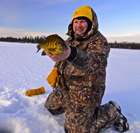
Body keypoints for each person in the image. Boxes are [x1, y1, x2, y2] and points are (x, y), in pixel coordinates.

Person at [45, 5, 129, 133]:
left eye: (83, 21)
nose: (78, 25)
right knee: (50, 106)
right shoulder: (70, 40)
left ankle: (113, 111)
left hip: (86, 92)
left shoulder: (99, 42)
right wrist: (56, 69)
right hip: (67, 87)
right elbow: (62, 57)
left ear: (91, 24)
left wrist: (71, 54)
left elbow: (95, 63)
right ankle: (70, 105)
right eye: (76, 22)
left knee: (76, 130)